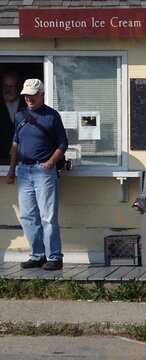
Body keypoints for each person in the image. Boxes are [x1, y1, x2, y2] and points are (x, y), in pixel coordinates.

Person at [6, 78, 68, 271]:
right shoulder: (20, 115)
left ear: (41, 94)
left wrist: (50, 163)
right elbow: (15, 144)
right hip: (24, 170)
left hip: (44, 172)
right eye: (26, 96)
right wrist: (11, 169)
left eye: (33, 96)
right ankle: (37, 255)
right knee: (28, 216)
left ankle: (54, 257)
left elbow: (63, 144)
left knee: (48, 217)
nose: (29, 100)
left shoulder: (52, 116)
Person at [0, 71, 25, 164]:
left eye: (11, 86)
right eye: (5, 86)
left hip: (23, 160)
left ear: (18, 87)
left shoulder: (28, 105)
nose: (7, 90)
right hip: (2, 160)